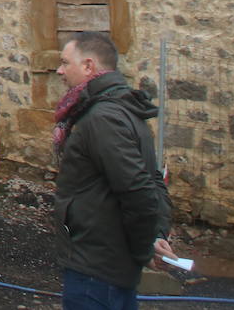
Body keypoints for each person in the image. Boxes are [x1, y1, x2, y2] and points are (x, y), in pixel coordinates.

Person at [54, 30, 176, 309]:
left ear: (88, 66)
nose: (59, 71)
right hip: (106, 265)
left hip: (97, 268)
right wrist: (156, 234)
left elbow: (139, 189)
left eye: (65, 62)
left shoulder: (103, 118)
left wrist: (145, 247)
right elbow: (150, 180)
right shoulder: (124, 109)